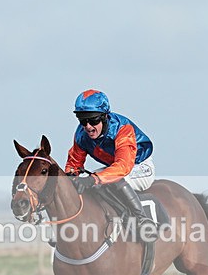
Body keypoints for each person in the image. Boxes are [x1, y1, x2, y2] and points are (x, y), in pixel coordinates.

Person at [65, 89, 157, 240]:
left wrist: (93, 178)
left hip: (139, 166)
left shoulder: (122, 129)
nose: (87, 126)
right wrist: (69, 178)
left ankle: (142, 221)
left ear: (104, 117)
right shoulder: (81, 134)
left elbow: (123, 167)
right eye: (82, 120)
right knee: (95, 182)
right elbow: (74, 162)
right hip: (114, 167)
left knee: (110, 180)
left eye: (93, 120)